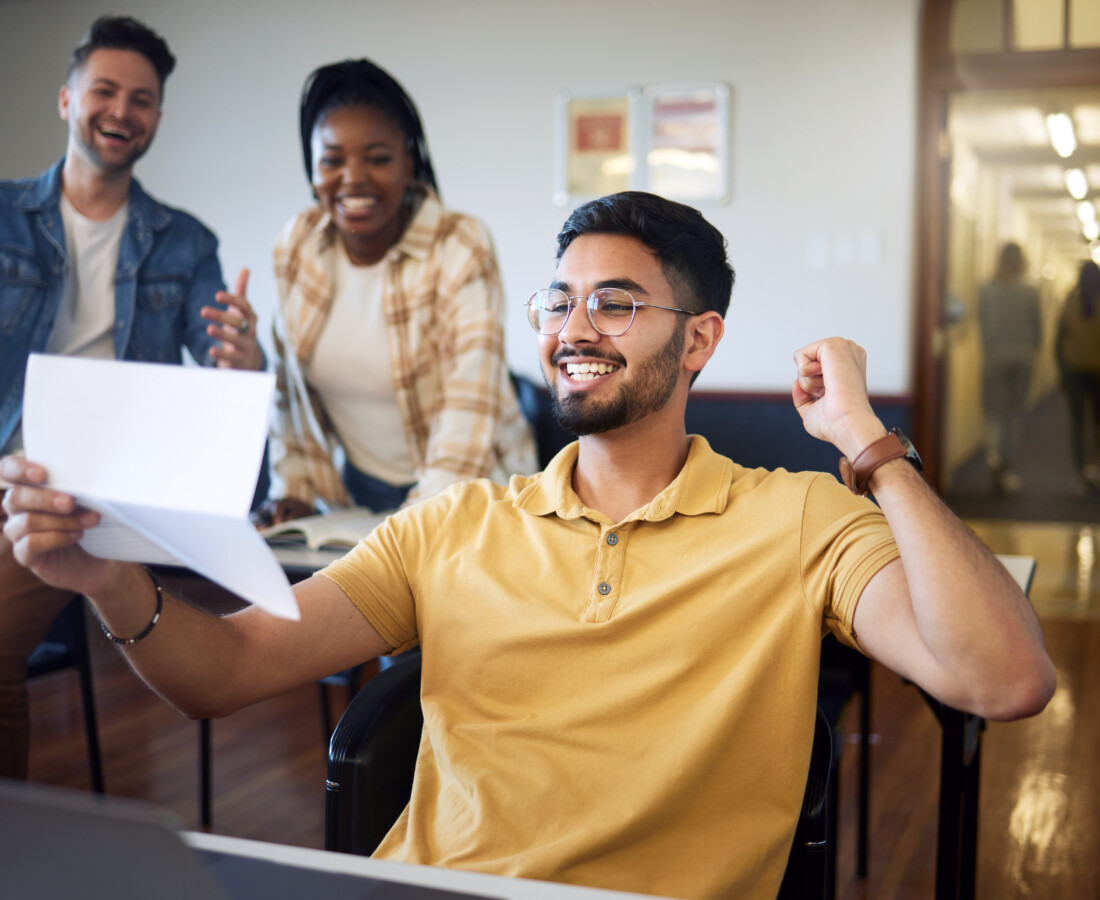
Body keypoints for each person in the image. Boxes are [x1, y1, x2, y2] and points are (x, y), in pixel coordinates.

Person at [2, 192, 1055, 900]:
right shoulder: (455, 525)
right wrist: (102, 578)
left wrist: (865, 446)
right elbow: (223, 672)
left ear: (698, 339)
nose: (572, 328)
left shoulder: (797, 520)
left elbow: (999, 677)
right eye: (559, 301)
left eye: (615, 302)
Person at [0, 16, 263, 781]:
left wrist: (244, 361)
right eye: (105, 92)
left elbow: (223, 387)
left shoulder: (184, 243)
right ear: (65, 99)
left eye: (141, 100)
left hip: (90, 491)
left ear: (155, 119)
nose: (122, 112)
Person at [251, 59, 536, 526]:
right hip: (353, 496)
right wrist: (294, 491)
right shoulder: (296, 245)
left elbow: (469, 408)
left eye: (378, 158)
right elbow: (291, 397)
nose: (353, 178)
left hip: (474, 488)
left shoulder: (459, 245)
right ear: (312, 168)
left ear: (410, 162)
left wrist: (416, 524)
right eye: (332, 159)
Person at [977, 242, 1042, 494]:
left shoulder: (986, 290)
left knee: (993, 409)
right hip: (1022, 357)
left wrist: (992, 349)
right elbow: (1038, 329)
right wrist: (1029, 351)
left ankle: (993, 453)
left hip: (995, 357)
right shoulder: (1030, 292)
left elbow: (982, 324)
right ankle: (1006, 466)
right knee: (1015, 412)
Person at [1055, 260, 1100, 493]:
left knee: (1078, 424)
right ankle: (1095, 468)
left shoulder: (1071, 303)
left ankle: (1082, 472)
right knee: (1097, 424)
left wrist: (1061, 372)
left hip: (1074, 372)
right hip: (1097, 372)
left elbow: (1059, 341)